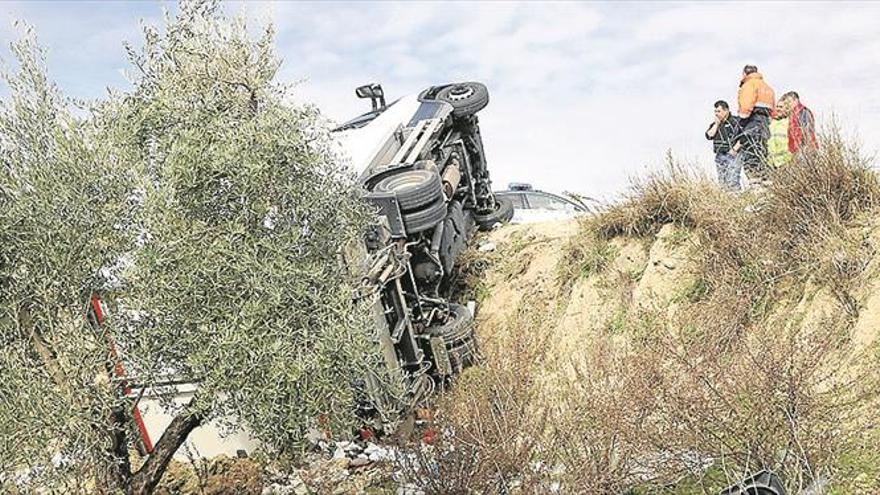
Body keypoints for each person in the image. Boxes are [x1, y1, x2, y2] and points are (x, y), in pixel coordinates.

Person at [733, 65, 776, 186]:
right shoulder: (768, 88)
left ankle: (755, 184)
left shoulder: (749, 85)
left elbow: (745, 107)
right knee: (762, 152)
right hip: (765, 123)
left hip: (752, 121)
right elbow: (774, 111)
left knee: (751, 152)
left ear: (744, 74)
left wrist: (742, 119)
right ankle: (766, 182)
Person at [705, 100, 742, 190]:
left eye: (719, 111)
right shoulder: (715, 124)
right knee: (722, 183)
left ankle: (736, 199)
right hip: (719, 155)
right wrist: (717, 124)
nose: (716, 114)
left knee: (732, 181)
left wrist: (735, 149)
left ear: (726, 111)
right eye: (715, 111)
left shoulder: (736, 121)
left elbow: (744, 135)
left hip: (733, 154)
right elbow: (709, 135)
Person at [767, 101, 792, 169]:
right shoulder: (771, 123)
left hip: (785, 163)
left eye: (781, 107)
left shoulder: (790, 122)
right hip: (770, 163)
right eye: (777, 107)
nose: (778, 109)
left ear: (787, 109)